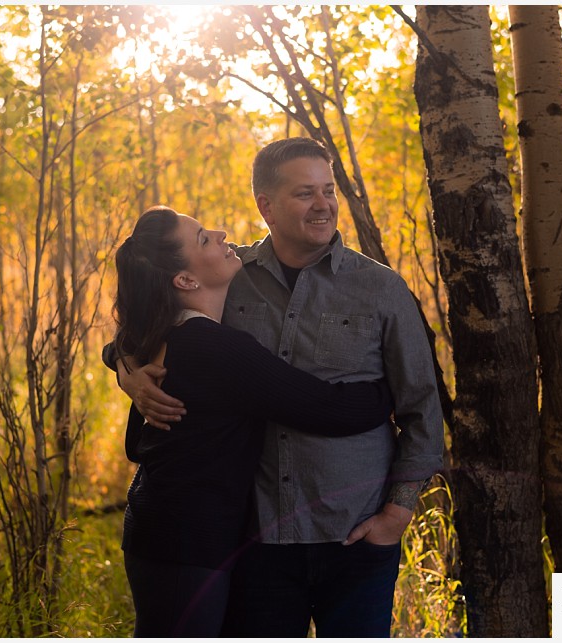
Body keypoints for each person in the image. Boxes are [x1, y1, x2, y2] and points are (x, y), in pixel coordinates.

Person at [117, 138, 445, 637]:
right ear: (265, 205)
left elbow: (423, 405)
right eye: (304, 193)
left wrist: (397, 514)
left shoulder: (381, 289)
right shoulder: (230, 275)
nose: (323, 204)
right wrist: (127, 369)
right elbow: (149, 319)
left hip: (355, 537)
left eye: (328, 190)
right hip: (258, 541)